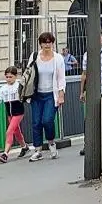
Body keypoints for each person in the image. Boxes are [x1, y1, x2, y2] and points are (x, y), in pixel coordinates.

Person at [28, 32, 66, 162]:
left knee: (47, 120)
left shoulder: (58, 58)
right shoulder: (34, 57)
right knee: (36, 122)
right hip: (36, 95)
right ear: (40, 44)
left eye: (50, 42)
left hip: (51, 94)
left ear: (53, 43)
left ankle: (51, 143)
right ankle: (38, 150)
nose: (47, 44)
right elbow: (28, 74)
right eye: (44, 42)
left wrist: (61, 95)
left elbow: (61, 78)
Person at [0, 67, 30, 162]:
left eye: (10, 77)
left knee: (9, 131)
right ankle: (24, 147)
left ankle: (5, 154)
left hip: (18, 112)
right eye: (7, 77)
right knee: (16, 131)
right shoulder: (3, 88)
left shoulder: (19, 86)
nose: (8, 79)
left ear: (15, 76)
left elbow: (26, 96)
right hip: (10, 114)